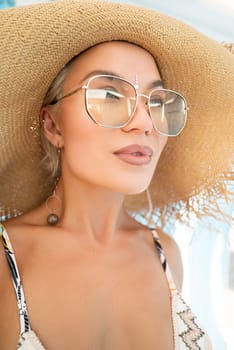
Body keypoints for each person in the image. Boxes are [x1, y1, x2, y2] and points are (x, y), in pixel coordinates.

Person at [0, 0, 233, 349]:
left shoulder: (165, 256)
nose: (144, 123)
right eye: (109, 93)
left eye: (157, 102)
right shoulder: (6, 259)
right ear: (52, 124)